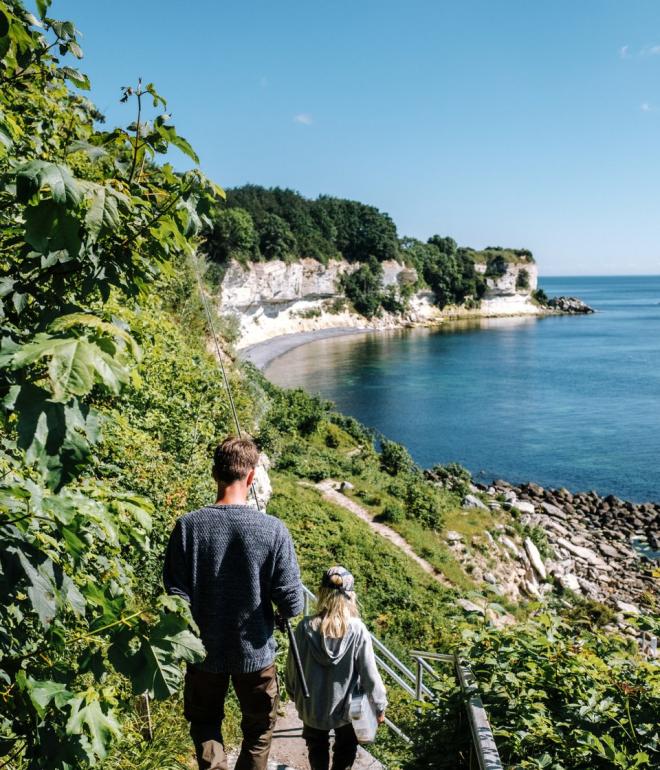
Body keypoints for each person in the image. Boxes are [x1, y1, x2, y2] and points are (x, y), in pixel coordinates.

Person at [163, 435, 303, 770]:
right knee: (258, 729)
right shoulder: (273, 530)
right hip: (255, 654)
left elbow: (175, 597)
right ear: (252, 477)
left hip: (202, 652)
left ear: (215, 474)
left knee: (206, 722)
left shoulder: (187, 527)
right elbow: (293, 603)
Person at [286, 566, 387, 770]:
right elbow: (369, 674)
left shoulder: (304, 627)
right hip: (347, 708)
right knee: (346, 749)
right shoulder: (357, 629)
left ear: (322, 593)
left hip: (312, 703)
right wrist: (379, 705)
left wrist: (292, 692)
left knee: (317, 747)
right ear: (350, 596)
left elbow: (292, 667)